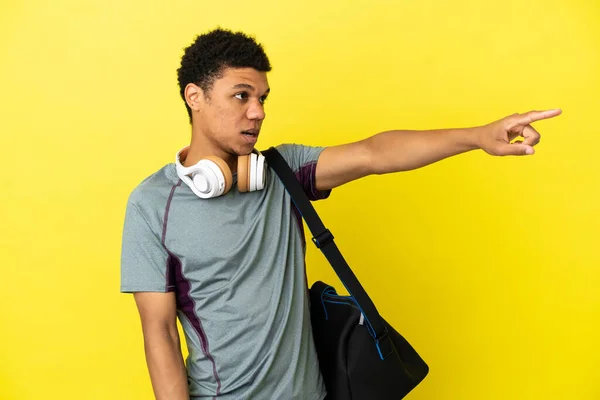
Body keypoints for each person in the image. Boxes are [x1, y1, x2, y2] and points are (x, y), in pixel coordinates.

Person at [120, 28, 561, 400]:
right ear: (194, 97)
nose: (257, 112)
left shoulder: (282, 170)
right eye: (241, 96)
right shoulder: (152, 204)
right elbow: (158, 332)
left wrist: (478, 135)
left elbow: (374, 153)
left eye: (262, 98)